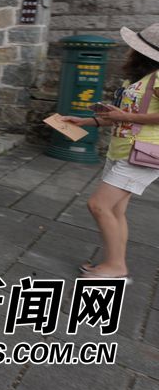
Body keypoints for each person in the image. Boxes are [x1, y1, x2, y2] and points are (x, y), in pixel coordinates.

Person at [61, 23, 159, 281]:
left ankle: (116, 268)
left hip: (142, 154)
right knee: (115, 210)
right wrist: (85, 121)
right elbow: (124, 118)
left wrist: (125, 115)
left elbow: (135, 116)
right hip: (122, 149)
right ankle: (114, 264)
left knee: (98, 205)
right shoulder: (138, 80)